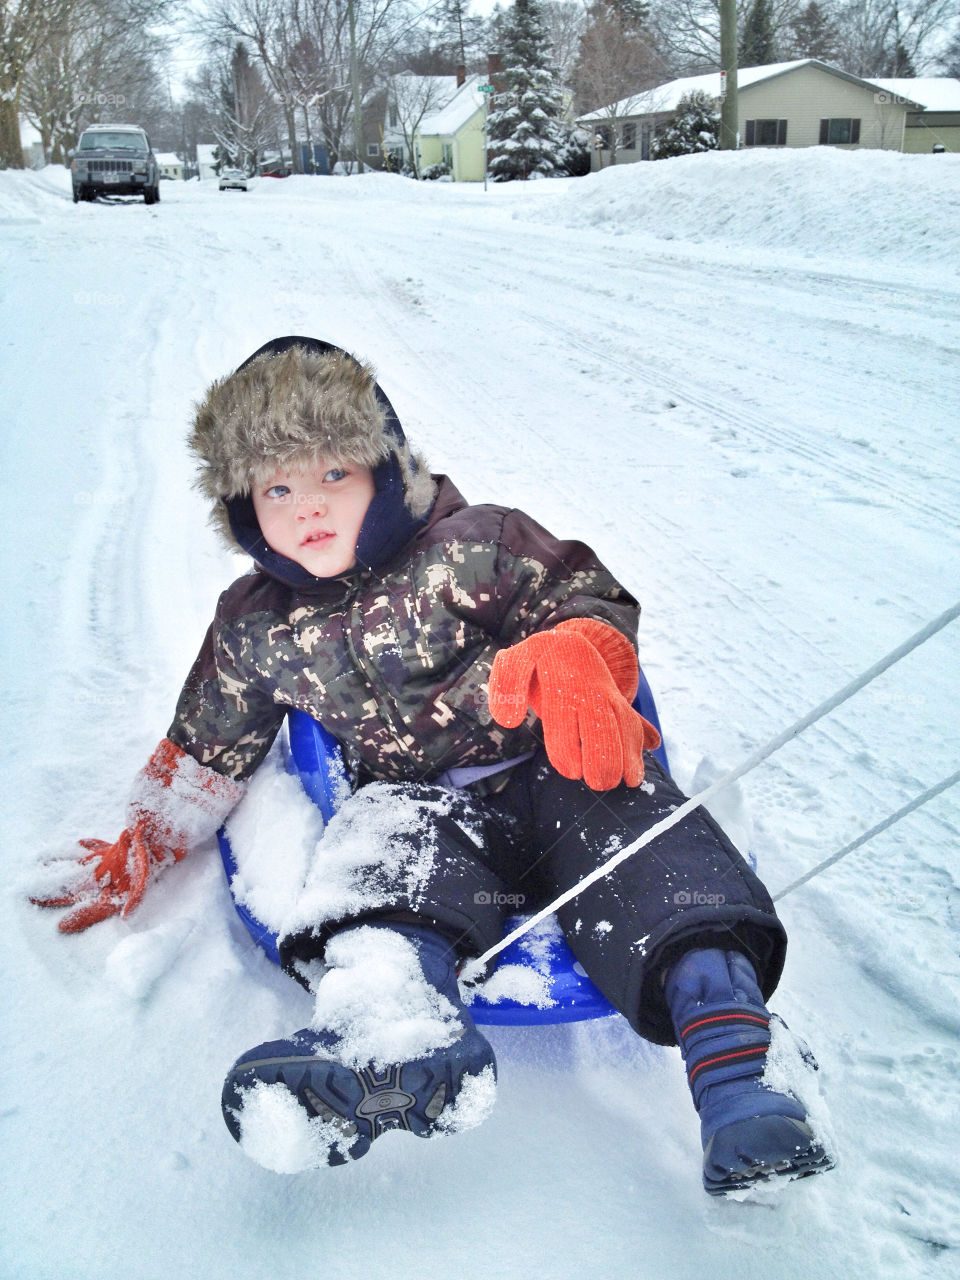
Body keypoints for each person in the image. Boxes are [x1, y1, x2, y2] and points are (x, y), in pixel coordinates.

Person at [34, 336, 834, 1193]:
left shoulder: (475, 545)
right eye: (277, 488)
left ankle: (741, 1075)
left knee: (648, 843)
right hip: (421, 803)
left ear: (384, 469)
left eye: (332, 473)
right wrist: (151, 834)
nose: (308, 507)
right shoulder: (254, 624)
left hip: (551, 764)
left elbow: (583, 593)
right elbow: (209, 734)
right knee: (379, 848)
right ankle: (385, 1037)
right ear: (242, 510)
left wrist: (575, 649)